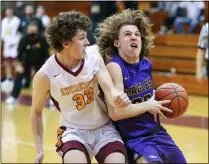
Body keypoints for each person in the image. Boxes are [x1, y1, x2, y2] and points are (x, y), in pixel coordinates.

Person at [31, 10, 130, 164]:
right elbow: (36, 112)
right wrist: (39, 150)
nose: (87, 42)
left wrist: (118, 97)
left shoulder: (94, 56)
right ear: (66, 43)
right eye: (82, 38)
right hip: (73, 132)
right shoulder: (45, 75)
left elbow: (109, 89)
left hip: (104, 128)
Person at [96, 9, 187, 163]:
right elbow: (116, 112)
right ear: (116, 43)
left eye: (137, 34)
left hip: (158, 133)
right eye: (127, 34)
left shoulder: (146, 64)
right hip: (135, 138)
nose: (134, 37)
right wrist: (148, 105)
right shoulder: (115, 67)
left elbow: (147, 99)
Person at [5, 22, 49, 105]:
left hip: (39, 61)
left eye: (34, 30)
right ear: (27, 30)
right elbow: (19, 55)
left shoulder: (42, 39)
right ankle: (14, 97)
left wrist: (47, 68)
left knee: (47, 78)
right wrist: (18, 66)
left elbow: (47, 55)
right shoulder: (24, 39)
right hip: (26, 61)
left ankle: (51, 98)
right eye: (30, 30)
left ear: (37, 30)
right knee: (19, 74)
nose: (32, 33)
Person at [1, 7, 21, 86]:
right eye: (7, 11)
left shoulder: (17, 20)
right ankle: (8, 78)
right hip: (6, 43)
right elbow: (2, 33)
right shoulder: (4, 20)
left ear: (12, 11)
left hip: (15, 43)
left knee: (15, 61)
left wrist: (15, 41)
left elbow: (19, 33)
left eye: (10, 11)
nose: (8, 12)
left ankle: (16, 78)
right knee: (7, 61)